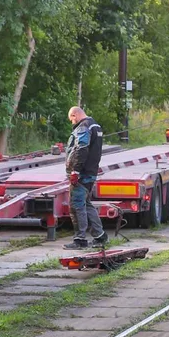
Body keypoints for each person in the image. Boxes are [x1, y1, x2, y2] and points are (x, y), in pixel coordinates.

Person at [64, 106, 108, 250]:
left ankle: (80, 239)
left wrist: (75, 171)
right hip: (90, 172)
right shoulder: (95, 126)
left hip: (81, 174)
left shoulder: (83, 127)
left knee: (76, 205)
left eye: (71, 119)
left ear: (75, 115)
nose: (72, 122)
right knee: (86, 204)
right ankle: (99, 235)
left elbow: (81, 148)